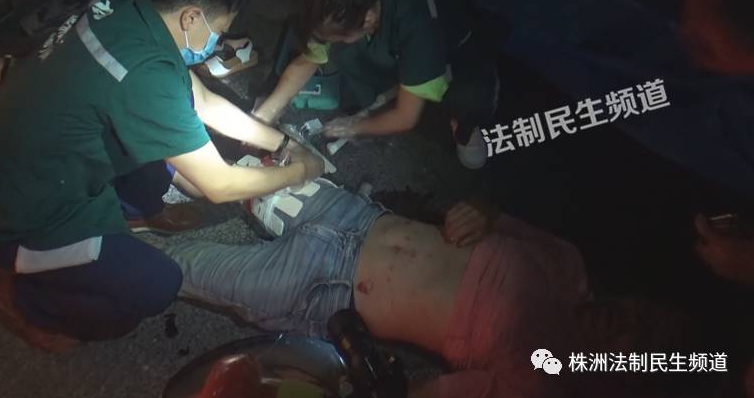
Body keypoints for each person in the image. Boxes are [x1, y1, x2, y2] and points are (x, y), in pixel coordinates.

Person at [0, 0, 323, 349]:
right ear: (191, 18)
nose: (218, 42)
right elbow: (219, 185)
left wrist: (284, 143)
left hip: (18, 160)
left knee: (169, 129)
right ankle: (27, 299)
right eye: (220, 30)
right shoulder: (146, 75)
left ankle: (134, 210)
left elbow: (201, 101)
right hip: (14, 214)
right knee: (157, 285)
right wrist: (300, 171)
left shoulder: (122, 10)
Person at [161, 179, 717, 398]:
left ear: (624, 373)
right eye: (647, 313)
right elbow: (492, 210)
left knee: (165, 268)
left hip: (320, 290)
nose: (628, 323)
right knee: (225, 166)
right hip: (353, 215)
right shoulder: (567, 264)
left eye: (640, 341)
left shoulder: (542, 377)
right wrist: (482, 208)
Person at [251, 0, 506, 169]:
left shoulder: (418, 27)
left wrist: (355, 127)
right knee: (344, 53)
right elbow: (308, 59)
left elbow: (406, 117)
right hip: (397, 34)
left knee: (468, 97)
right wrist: (267, 112)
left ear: (368, 20)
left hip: (457, 46)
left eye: (337, 35)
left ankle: (464, 126)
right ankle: (390, 90)